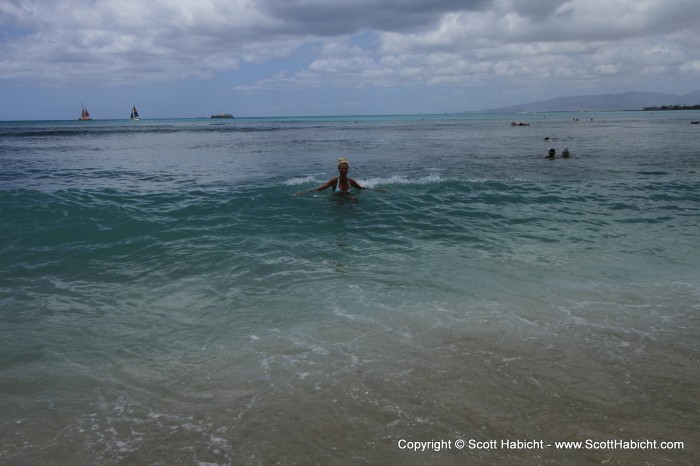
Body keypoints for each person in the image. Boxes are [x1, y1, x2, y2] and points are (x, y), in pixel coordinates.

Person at [296, 157, 382, 195]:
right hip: (336, 201)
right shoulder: (334, 181)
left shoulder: (351, 182)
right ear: (339, 169)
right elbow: (319, 189)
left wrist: (377, 190)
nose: (344, 170)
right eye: (342, 169)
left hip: (347, 200)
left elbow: (361, 188)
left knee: (354, 200)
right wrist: (304, 192)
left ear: (348, 169)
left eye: (345, 169)